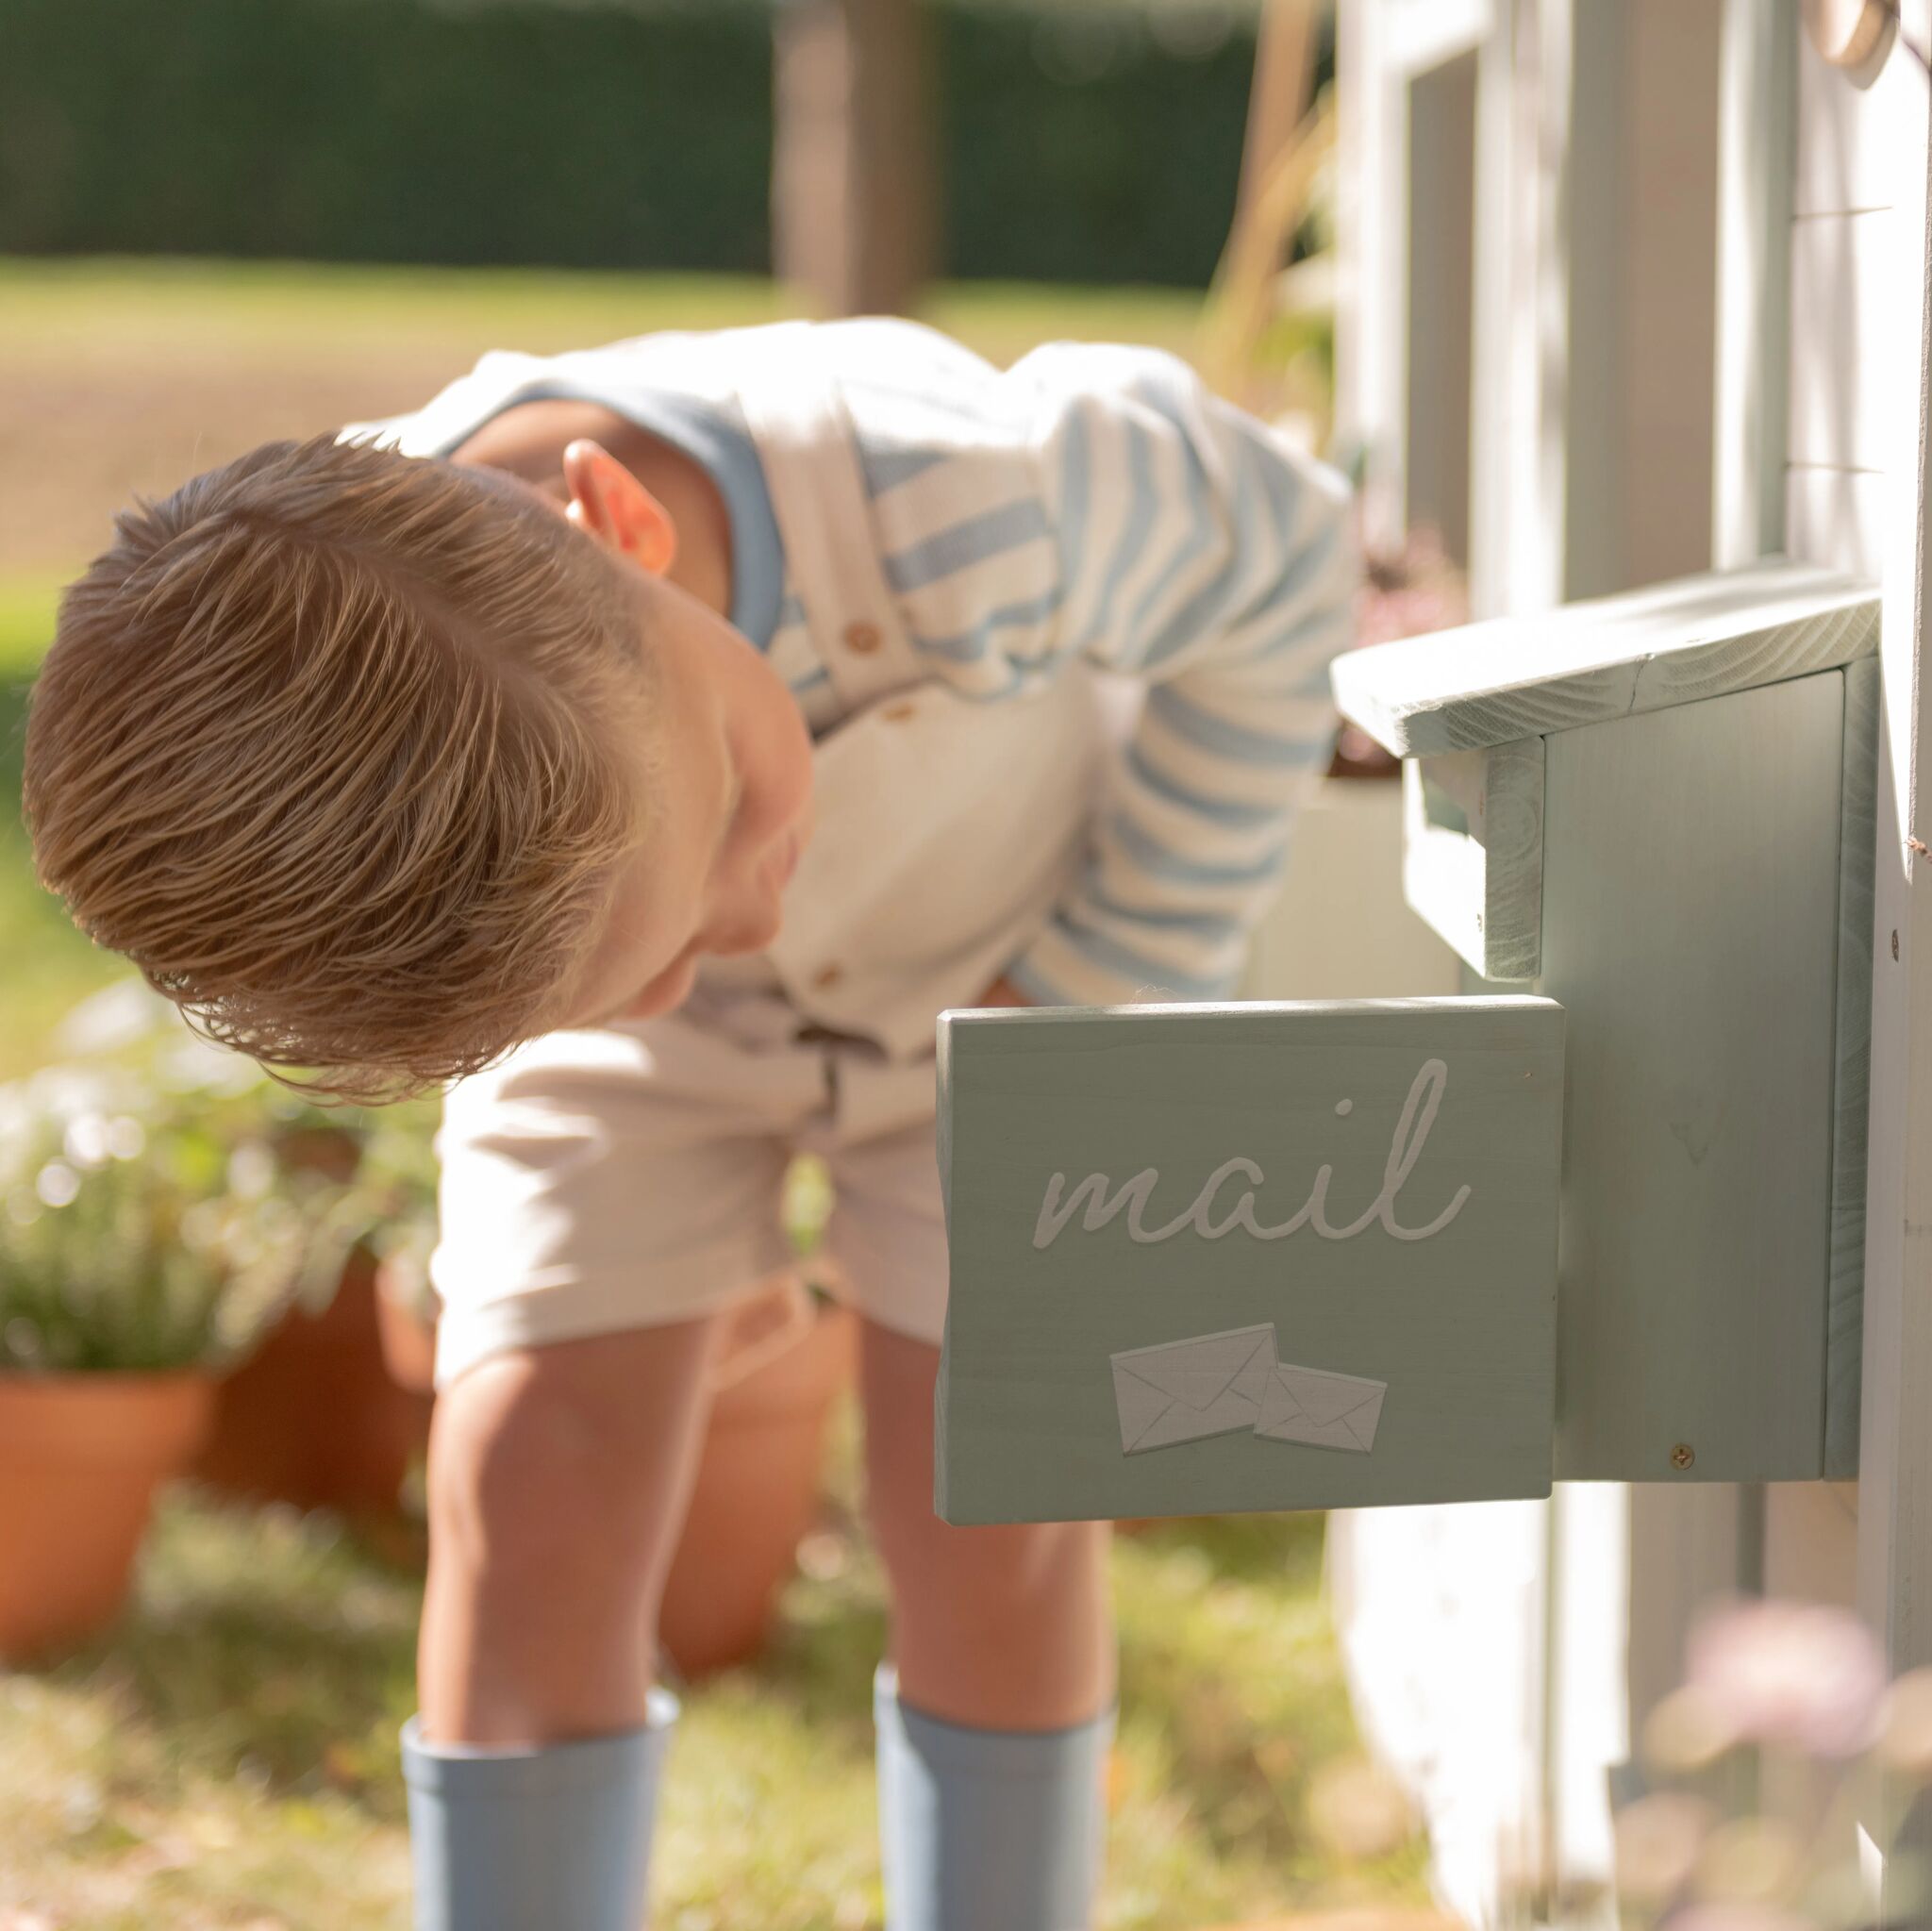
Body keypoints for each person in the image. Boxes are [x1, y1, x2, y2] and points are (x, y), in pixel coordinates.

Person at [22, 313, 1355, 1930]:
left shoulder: (988, 501)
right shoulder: (356, 744)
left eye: (728, 805)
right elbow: (618, 965)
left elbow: (1286, 563)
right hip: (633, 1071)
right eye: (579, 986)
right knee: (530, 1481)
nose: (694, 962)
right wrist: (598, 1095)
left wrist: (1110, 974)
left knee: (988, 1501)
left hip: (1011, 993)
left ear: (624, 529)